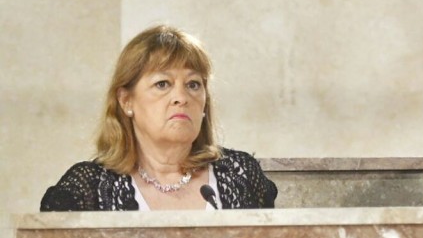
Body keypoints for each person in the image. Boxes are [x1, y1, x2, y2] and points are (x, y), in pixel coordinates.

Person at [41, 25, 277, 211]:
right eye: (163, 84)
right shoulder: (87, 189)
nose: (181, 98)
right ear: (126, 100)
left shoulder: (240, 174)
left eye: (193, 84)